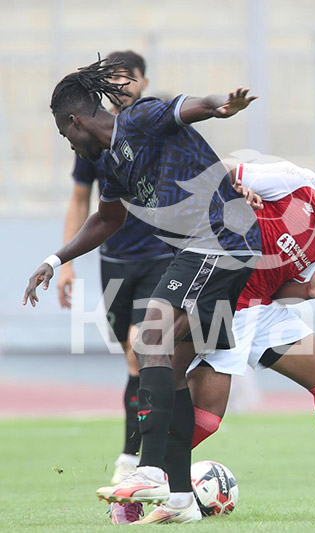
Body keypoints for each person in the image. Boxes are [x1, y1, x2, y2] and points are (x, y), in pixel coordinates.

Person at [23, 56, 262, 524]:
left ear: (76, 121)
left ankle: (148, 469)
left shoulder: (140, 119)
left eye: (63, 133)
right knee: (171, 365)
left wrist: (221, 105)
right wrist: (55, 260)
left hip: (222, 240)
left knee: (149, 336)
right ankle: (179, 499)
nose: (67, 142)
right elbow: (108, 219)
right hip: (207, 251)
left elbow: (189, 107)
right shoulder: (112, 165)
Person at [134, 160, 315, 524]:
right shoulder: (294, 183)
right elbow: (217, 171)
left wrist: (306, 290)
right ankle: (136, 486)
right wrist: (235, 192)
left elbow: (273, 280)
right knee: (206, 418)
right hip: (227, 302)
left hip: (264, 308)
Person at [57, 51, 174, 498]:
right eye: (117, 79)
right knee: (132, 356)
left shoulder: (156, 127)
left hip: (162, 256)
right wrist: (65, 262)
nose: (123, 86)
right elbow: (79, 200)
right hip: (116, 263)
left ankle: (135, 460)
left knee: (140, 349)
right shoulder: (93, 135)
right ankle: (142, 454)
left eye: (130, 78)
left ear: (144, 82)